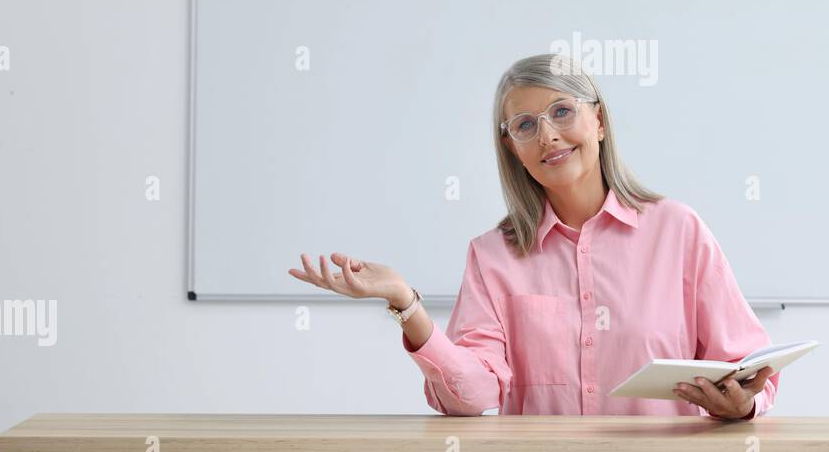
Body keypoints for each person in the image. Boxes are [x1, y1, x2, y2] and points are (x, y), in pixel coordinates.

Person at [290, 52, 778, 419]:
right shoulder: (491, 256)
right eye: (526, 125)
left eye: (562, 112)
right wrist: (406, 304)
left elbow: (752, 370)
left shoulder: (678, 231)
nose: (547, 135)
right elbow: (473, 396)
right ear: (513, 148)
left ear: (600, 120)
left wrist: (740, 406)